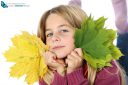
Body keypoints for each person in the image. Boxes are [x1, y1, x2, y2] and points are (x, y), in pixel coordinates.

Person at [37, 5, 126, 85]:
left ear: (84, 34)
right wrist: (60, 72)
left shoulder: (106, 69)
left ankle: (122, 24)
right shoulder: (47, 73)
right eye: (49, 34)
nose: (54, 38)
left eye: (64, 30)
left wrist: (74, 73)